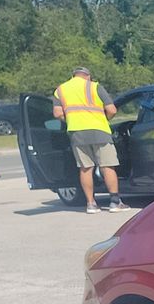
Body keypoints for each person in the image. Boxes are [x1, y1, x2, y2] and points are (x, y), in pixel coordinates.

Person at [52, 65, 123, 213]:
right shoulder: (94, 87)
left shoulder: (61, 90)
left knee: (85, 168)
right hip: (100, 130)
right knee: (107, 166)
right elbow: (112, 110)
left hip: (76, 132)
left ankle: (91, 204)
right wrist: (105, 119)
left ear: (73, 76)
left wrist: (72, 120)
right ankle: (115, 202)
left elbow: (58, 113)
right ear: (88, 76)